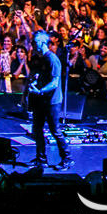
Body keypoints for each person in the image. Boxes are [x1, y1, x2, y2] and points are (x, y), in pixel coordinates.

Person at [27, 31, 72, 169]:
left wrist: (40, 91)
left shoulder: (53, 59)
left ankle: (67, 158)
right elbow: (36, 76)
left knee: (55, 130)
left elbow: (54, 83)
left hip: (52, 101)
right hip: (40, 100)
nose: (32, 45)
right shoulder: (39, 58)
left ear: (41, 43)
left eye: (34, 42)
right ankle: (41, 159)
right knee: (37, 129)